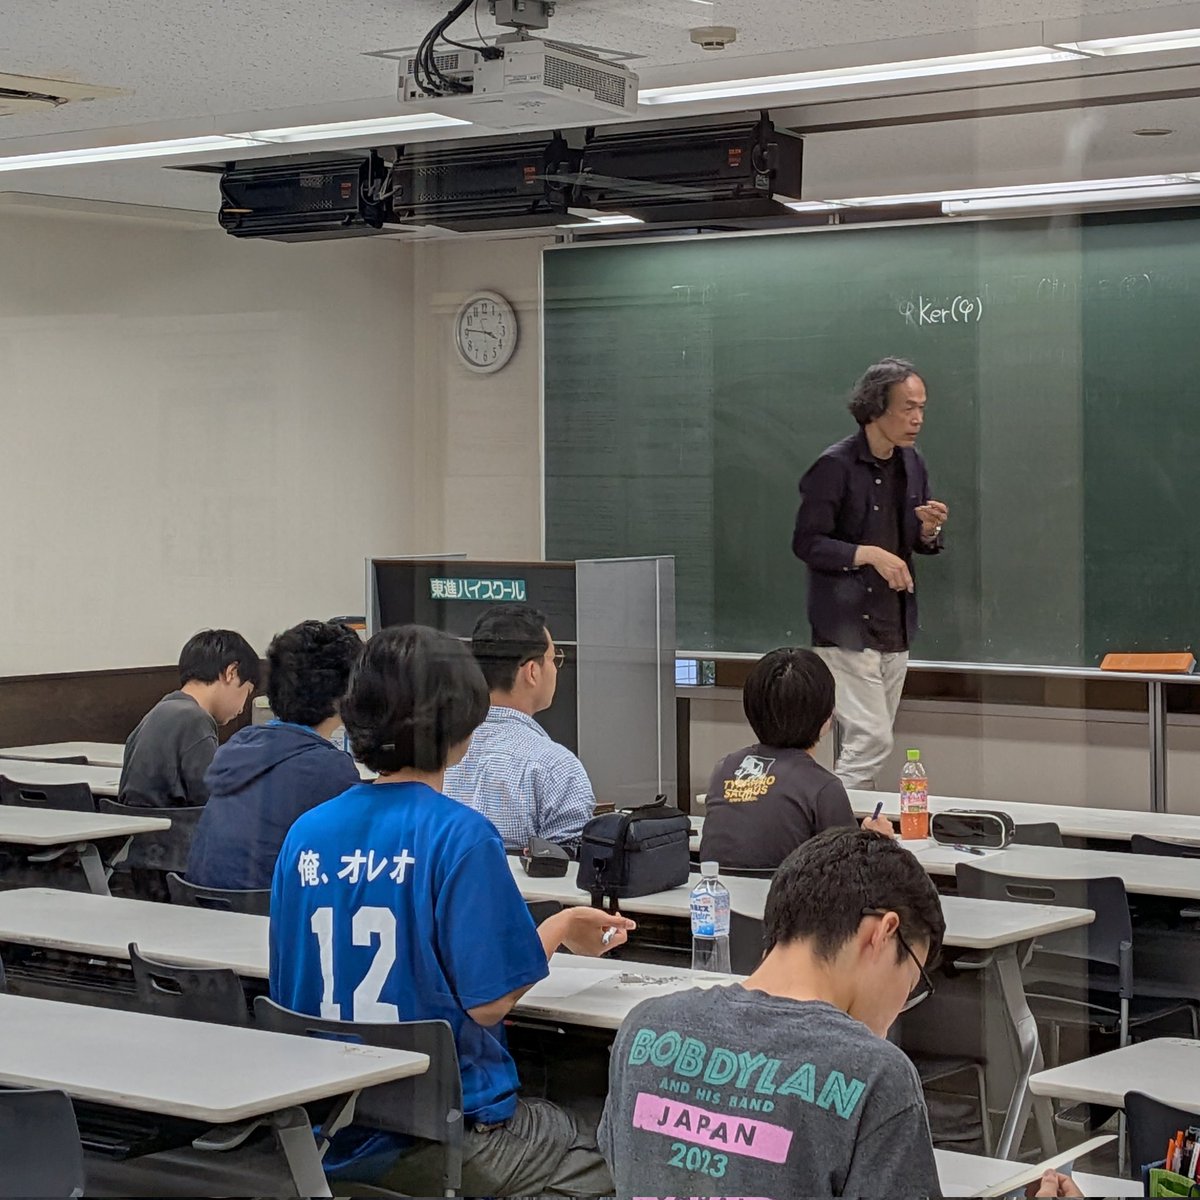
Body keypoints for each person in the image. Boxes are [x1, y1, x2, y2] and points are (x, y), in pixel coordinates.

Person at [270, 624, 634, 1197]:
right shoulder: (460, 836)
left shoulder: (306, 834)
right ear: (463, 726)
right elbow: (489, 1003)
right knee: (618, 1144)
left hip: (324, 1132)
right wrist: (557, 930)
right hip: (442, 1134)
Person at [600, 827, 945, 1200]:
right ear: (883, 932)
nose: (898, 1007)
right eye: (912, 980)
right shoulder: (877, 1074)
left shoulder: (643, 1028)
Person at [792, 357, 948, 790]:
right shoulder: (834, 467)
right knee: (872, 740)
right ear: (876, 408)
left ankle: (848, 821)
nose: (917, 418)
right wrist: (870, 555)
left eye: (922, 408)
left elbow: (914, 542)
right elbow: (807, 543)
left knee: (869, 746)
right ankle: (828, 819)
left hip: (894, 623)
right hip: (845, 629)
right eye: (907, 408)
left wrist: (929, 530)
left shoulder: (912, 463)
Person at [186, 620, 363, 891]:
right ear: (346, 694)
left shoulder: (237, 747)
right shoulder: (330, 769)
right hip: (269, 911)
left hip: (198, 903)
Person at [699, 647, 894, 872]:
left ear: (751, 708)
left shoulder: (724, 770)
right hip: (785, 895)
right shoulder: (823, 788)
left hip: (716, 893)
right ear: (827, 715)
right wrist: (877, 842)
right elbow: (851, 875)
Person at [443, 603, 595, 853]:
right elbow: (570, 866)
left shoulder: (439, 752)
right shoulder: (556, 767)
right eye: (553, 659)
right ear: (532, 672)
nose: (555, 669)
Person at [119, 629, 259, 808]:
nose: (241, 709)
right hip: (174, 825)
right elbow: (214, 801)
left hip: (139, 824)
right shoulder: (196, 720)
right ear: (231, 672)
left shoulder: (156, 713)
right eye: (247, 692)